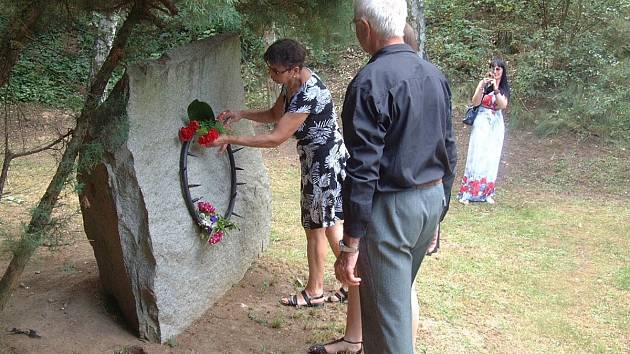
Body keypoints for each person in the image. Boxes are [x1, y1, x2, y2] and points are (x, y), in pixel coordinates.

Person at [308, 22, 458, 354]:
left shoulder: (369, 81)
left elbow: (362, 170)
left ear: (365, 28)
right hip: (428, 202)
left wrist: (351, 244)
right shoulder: (435, 76)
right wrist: (439, 212)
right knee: (394, 306)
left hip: (391, 210)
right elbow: (449, 150)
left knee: (388, 327)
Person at [213, 38, 349, 307]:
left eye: (276, 70)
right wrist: (242, 114)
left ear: (295, 68)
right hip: (315, 160)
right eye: (270, 69)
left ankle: (322, 289)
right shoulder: (292, 86)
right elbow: (276, 114)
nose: (271, 74)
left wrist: (231, 138)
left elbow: (276, 138)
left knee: (322, 227)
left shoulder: (308, 92)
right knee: (325, 225)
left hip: (324, 163)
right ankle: (347, 284)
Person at [457, 58, 510, 204]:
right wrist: (482, 85)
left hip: (496, 124)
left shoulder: (503, 88)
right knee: (477, 154)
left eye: (498, 69)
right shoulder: (484, 83)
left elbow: (502, 105)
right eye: (493, 68)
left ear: (503, 71)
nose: (495, 71)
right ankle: (468, 193)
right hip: (482, 121)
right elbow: (475, 102)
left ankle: (486, 192)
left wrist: (496, 88)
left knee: (492, 156)